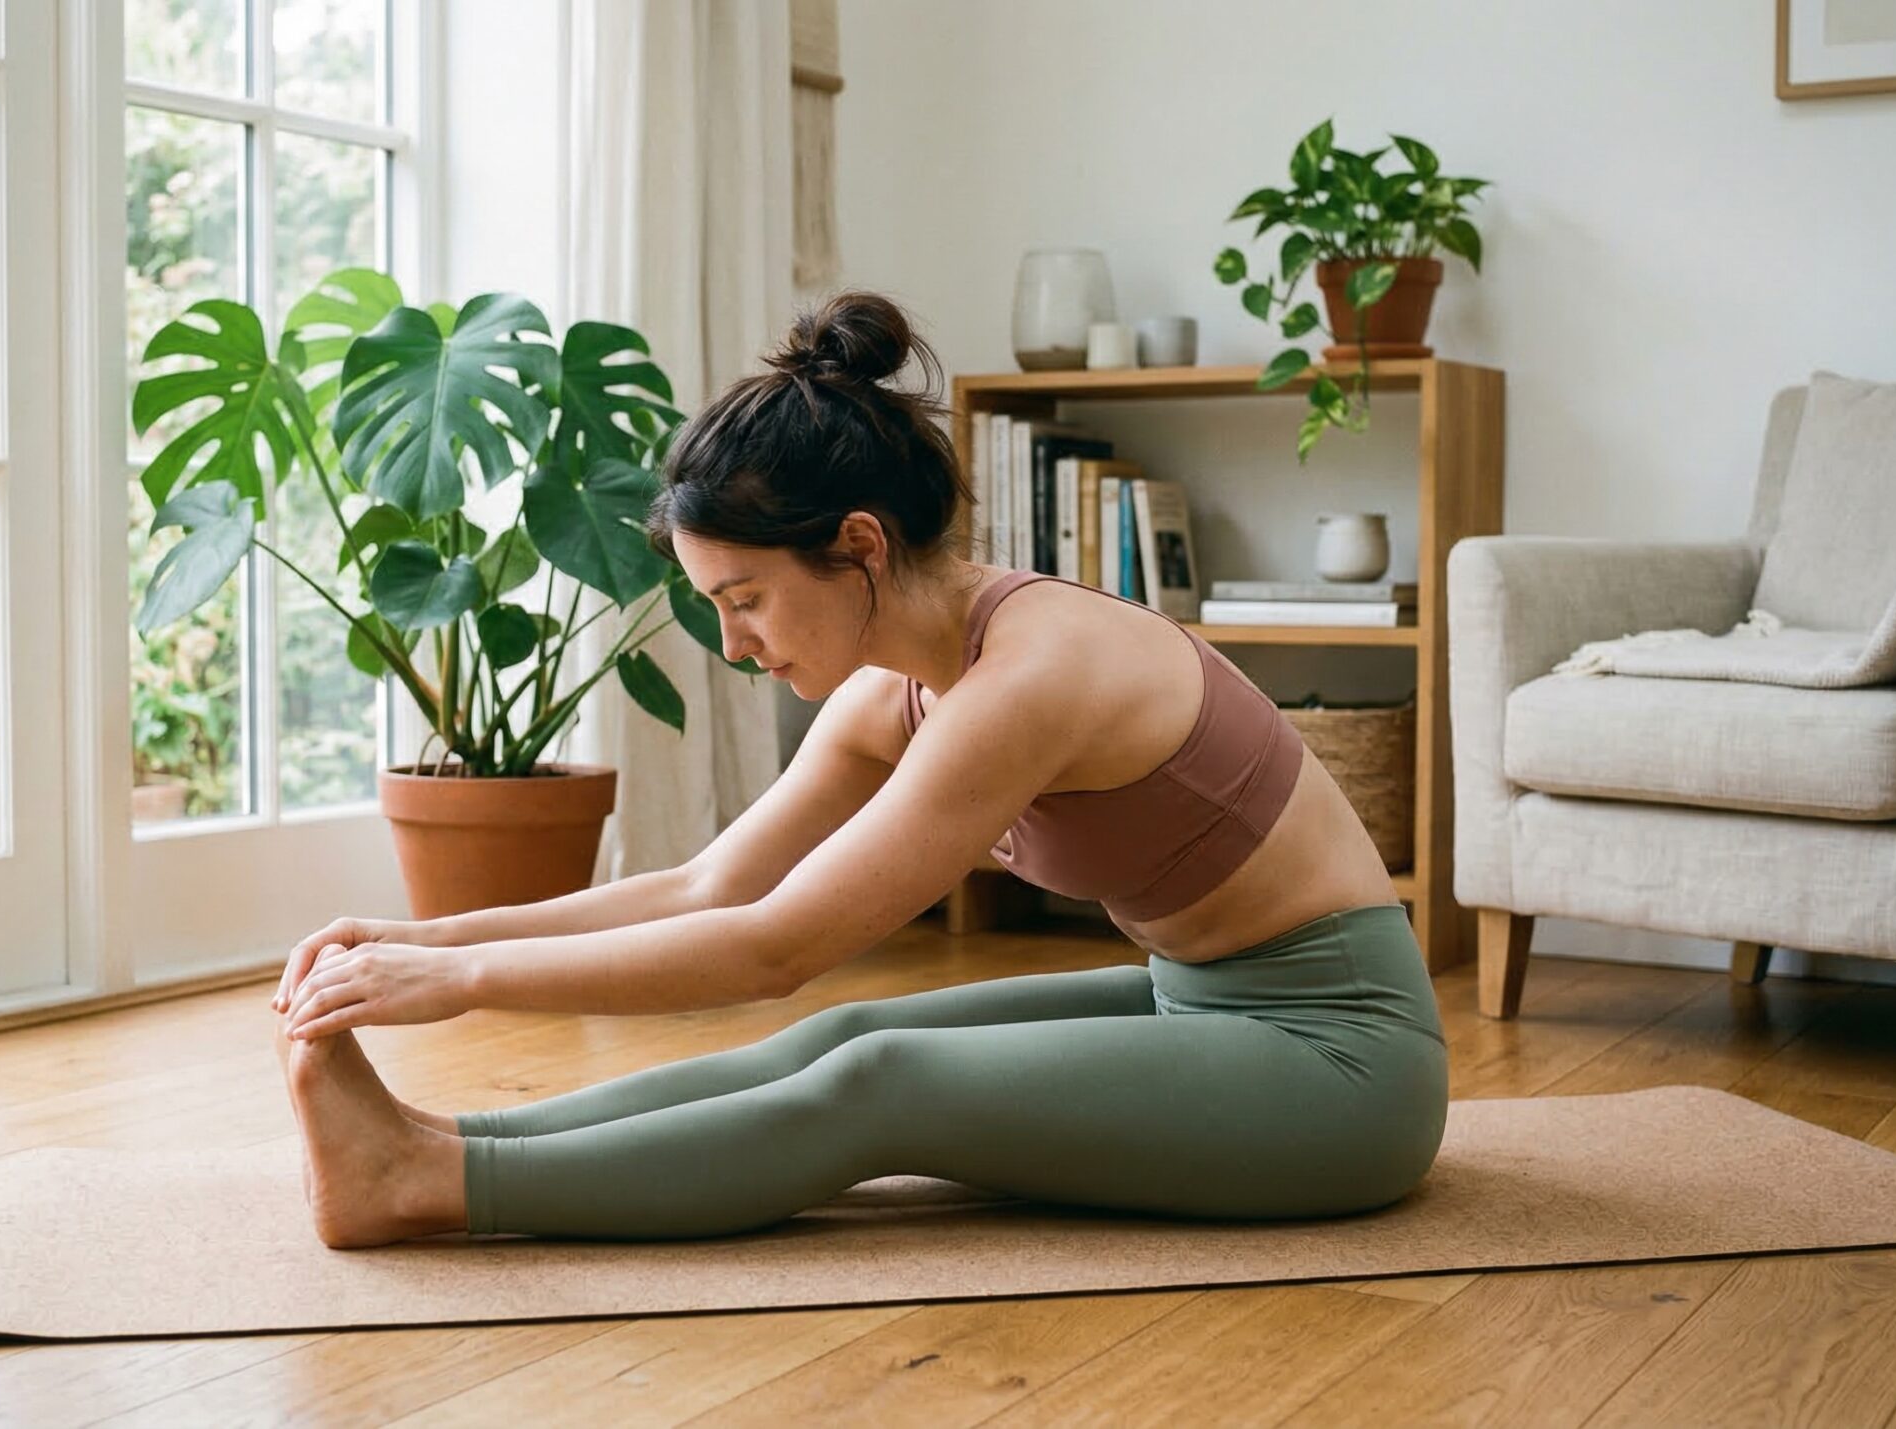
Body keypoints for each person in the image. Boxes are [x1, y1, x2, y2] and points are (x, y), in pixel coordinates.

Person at [268, 289, 1449, 1247]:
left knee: (879, 1081)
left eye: (744, 599)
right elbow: (706, 890)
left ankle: (426, 1187)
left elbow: (775, 948)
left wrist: (468, 986)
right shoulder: (897, 691)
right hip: (1201, 1000)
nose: (732, 643)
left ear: (859, 545)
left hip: (1338, 1061)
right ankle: (452, 1140)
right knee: (835, 1045)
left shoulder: (1031, 675)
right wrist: (432, 941)